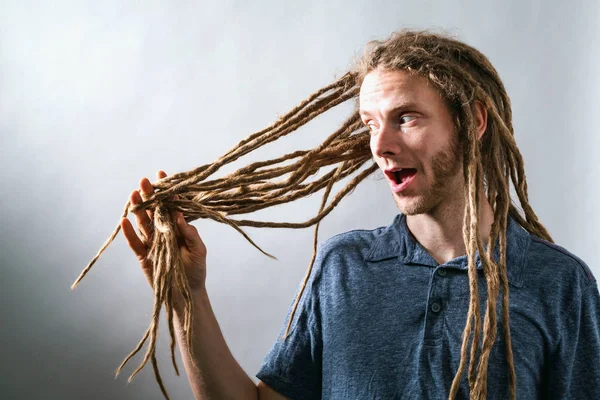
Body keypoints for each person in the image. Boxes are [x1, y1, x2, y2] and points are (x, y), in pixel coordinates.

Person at [120, 30, 600, 399]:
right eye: (370, 123)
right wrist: (188, 298)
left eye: (405, 117)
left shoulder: (560, 284)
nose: (380, 146)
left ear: (472, 121)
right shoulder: (344, 265)